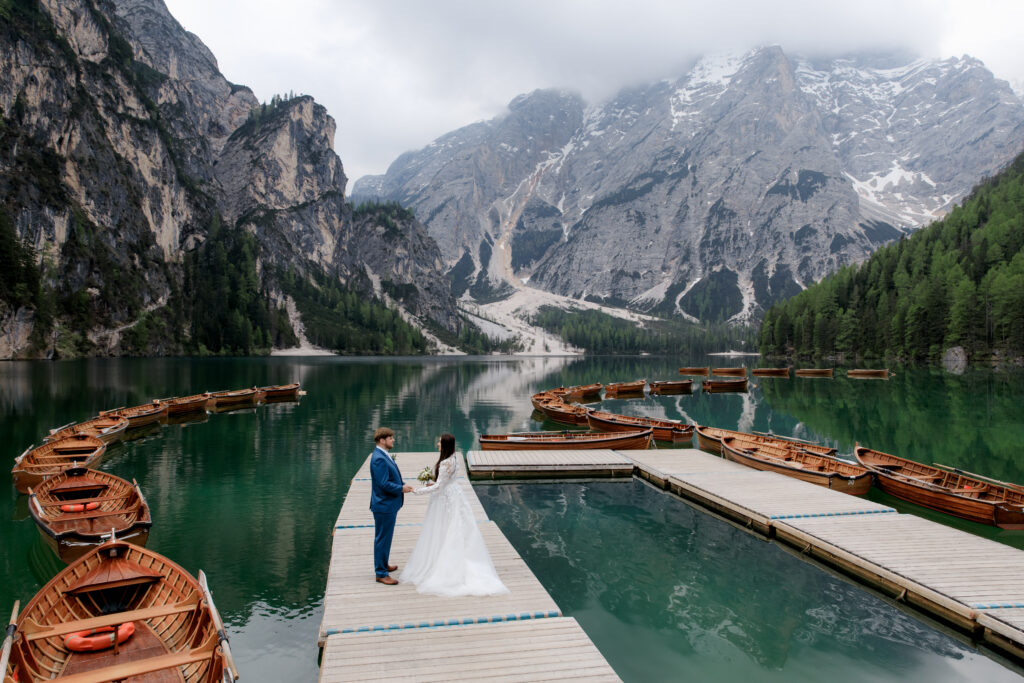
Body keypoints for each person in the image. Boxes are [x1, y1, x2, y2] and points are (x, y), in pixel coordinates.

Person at [399, 433, 509, 596]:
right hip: (454, 494)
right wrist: (434, 482)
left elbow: (438, 487)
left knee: (443, 528)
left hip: (445, 498)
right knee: (456, 527)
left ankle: (445, 565)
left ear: (444, 444)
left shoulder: (444, 463)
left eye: (439, 441)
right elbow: (443, 482)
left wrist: (417, 490)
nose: (437, 443)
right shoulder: (454, 459)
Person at [369, 427, 413, 585]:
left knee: (385, 538)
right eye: (390, 438)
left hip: (387, 505)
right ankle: (381, 573)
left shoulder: (383, 455)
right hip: (383, 505)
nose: (393, 440)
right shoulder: (379, 458)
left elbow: (391, 476)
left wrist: (402, 483)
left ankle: (384, 563)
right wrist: (401, 488)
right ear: (382, 440)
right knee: (382, 538)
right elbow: (383, 483)